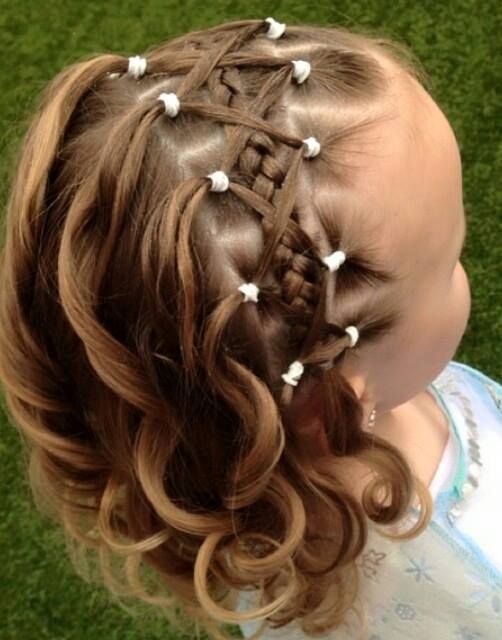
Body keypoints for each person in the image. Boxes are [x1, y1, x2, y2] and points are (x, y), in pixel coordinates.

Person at [0, 16, 500, 640]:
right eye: (449, 263)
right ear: (336, 403)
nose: (463, 267)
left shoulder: (258, 497)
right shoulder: (470, 576)